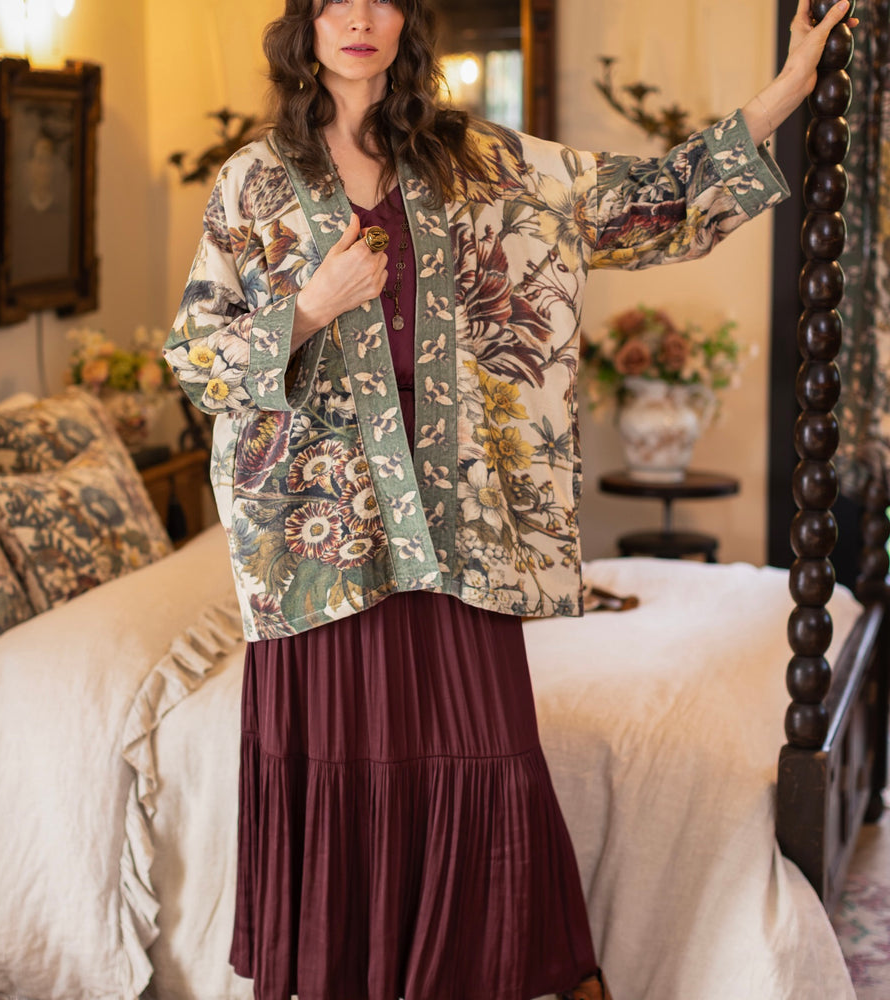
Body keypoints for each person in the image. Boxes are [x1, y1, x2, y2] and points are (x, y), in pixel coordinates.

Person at [163, 1, 856, 997]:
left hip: (460, 523)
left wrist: (781, 97)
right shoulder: (253, 178)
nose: (359, 16)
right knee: (339, 776)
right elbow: (199, 361)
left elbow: (634, 201)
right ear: (305, 22)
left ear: (407, 21)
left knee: (481, 752)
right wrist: (310, 307)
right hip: (318, 540)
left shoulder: (475, 161)